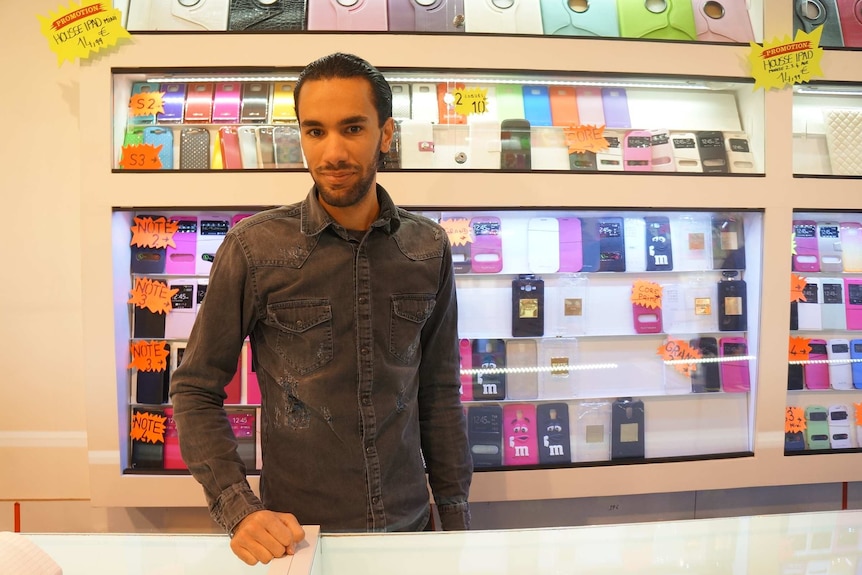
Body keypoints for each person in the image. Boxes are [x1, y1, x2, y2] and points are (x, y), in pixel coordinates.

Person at [169, 52, 473, 566]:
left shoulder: (428, 247)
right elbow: (195, 387)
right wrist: (239, 509)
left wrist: (457, 520)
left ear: (385, 133)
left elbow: (439, 391)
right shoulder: (253, 248)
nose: (332, 152)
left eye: (352, 128)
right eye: (315, 131)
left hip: (411, 528)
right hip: (299, 539)